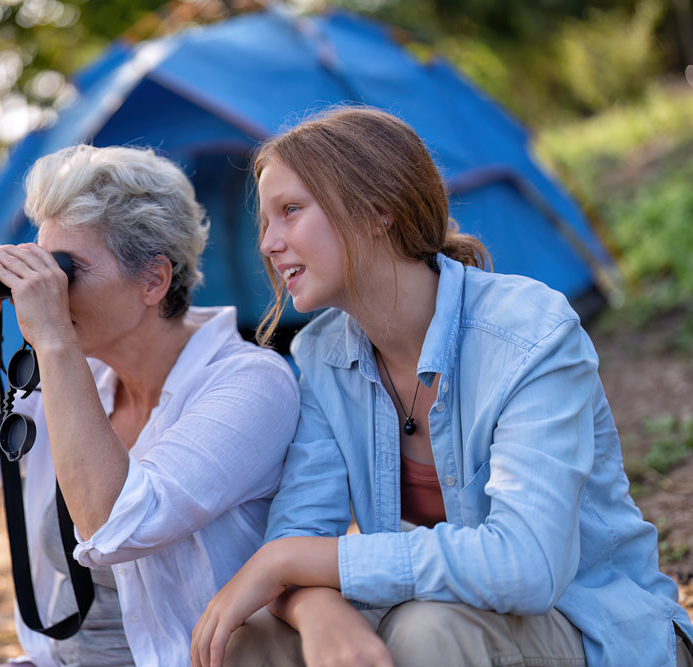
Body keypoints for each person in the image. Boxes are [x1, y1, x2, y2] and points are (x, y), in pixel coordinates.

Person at [191, 107, 693, 667]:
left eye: (290, 211)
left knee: (426, 632)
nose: (267, 243)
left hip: (596, 631)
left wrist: (289, 562)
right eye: (265, 222)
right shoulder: (322, 353)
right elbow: (300, 528)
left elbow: (527, 564)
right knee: (252, 636)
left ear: (378, 208)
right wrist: (315, 608)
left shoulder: (529, 331)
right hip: (446, 621)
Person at [0, 144, 299, 666]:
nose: (49, 289)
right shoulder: (81, 379)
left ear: (153, 280)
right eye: (44, 262)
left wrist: (55, 339)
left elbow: (116, 525)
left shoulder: (250, 383)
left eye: (68, 270)